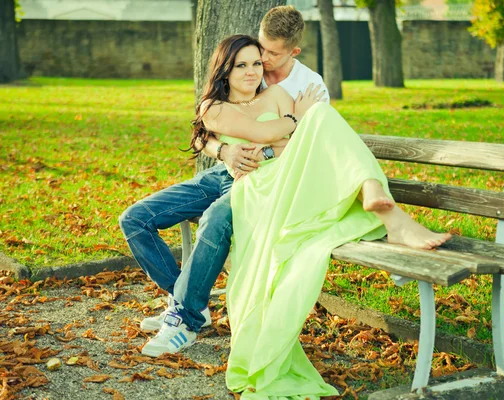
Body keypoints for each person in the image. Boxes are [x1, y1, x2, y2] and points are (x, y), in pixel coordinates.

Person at [196, 35, 451, 398]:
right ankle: (378, 197)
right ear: (225, 69)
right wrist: (289, 125)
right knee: (318, 115)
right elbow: (270, 133)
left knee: (322, 114)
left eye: (256, 63)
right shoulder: (215, 107)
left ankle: (378, 199)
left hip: (295, 179)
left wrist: (290, 127)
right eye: (242, 65)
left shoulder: (275, 95)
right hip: (259, 191)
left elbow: (297, 136)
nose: (253, 71)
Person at [118, 5, 330, 358]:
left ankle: (183, 316)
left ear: (293, 51)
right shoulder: (232, 83)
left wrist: (264, 151)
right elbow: (202, 134)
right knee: (135, 219)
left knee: (216, 218)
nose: (258, 62)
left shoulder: (307, 86)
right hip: (222, 171)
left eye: (265, 57)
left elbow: (311, 144)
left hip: (264, 180)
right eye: (251, 56)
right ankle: (188, 302)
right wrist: (224, 151)